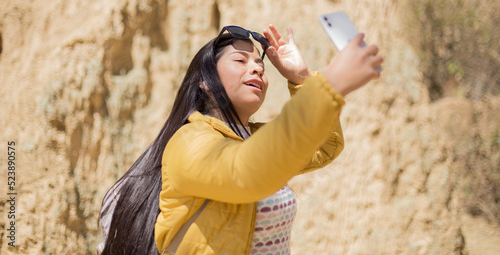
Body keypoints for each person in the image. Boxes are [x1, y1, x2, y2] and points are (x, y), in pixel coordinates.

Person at [97, 24, 383, 255]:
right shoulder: (189, 141)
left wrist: (302, 78)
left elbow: (325, 146)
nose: (257, 68)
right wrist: (330, 85)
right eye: (240, 60)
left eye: (260, 63)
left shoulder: (253, 139)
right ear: (205, 81)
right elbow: (246, 173)